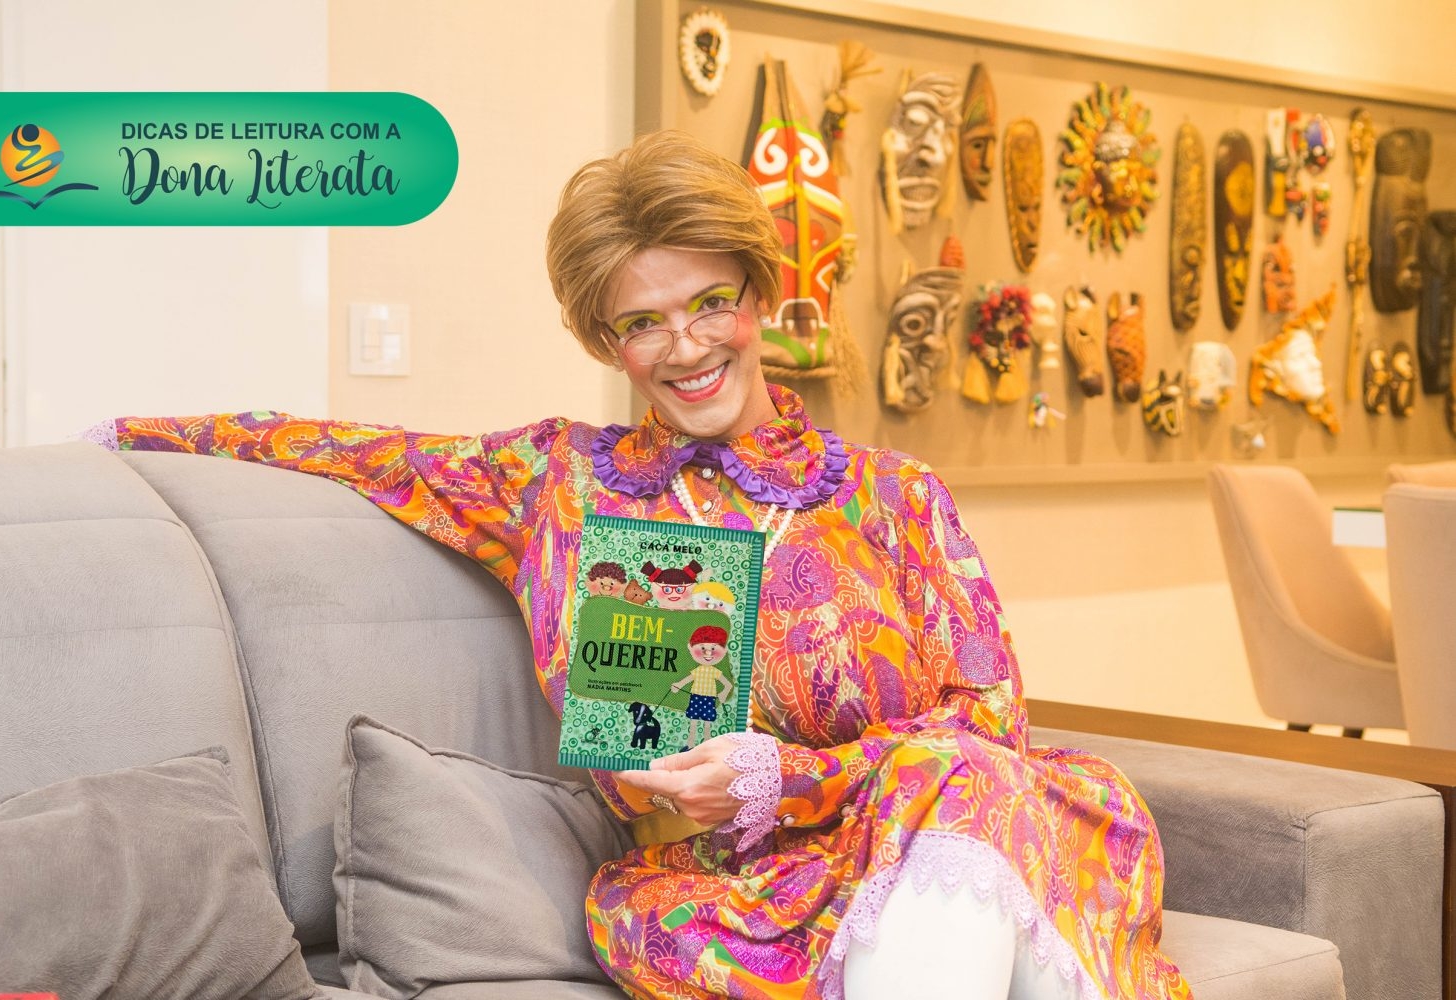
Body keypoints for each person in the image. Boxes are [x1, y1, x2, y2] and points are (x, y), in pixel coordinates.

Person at [98, 131, 1189, 1000]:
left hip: (917, 843)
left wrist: (787, 776)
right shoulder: (565, 484)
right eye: (643, 323)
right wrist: (127, 433)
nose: (688, 346)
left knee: (986, 796)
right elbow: (347, 449)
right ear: (604, 341)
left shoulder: (891, 494)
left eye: (712, 302)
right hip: (718, 896)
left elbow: (988, 727)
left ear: (759, 296)